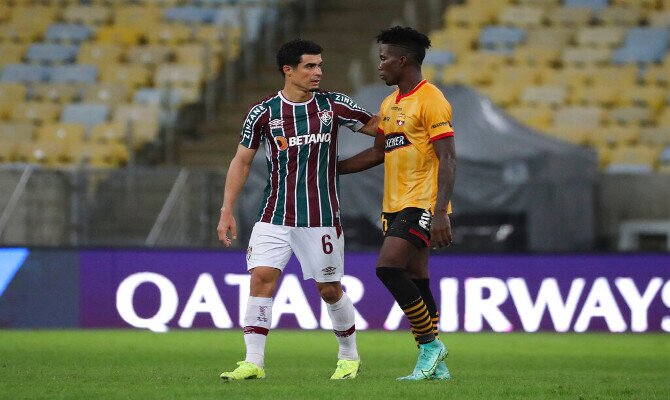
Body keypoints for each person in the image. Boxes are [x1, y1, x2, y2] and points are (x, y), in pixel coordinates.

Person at [217, 39, 379, 381]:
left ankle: (349, 357)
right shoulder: (263, 113)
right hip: (274, 214)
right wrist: (226, 209)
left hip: (321, 217)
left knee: (329, 290)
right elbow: (241, 161)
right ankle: (253, 363)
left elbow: (379, 128)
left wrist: (406, 126)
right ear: (288, 71)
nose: (318, 72)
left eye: (320, 65)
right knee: (261, 279)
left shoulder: (334, 105)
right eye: (310, 66)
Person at [339, 26, 456, 381]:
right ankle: (437, 366)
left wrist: (439, 212)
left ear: (402, 60)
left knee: (387, 268)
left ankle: (430, 346)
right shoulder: (390, 103)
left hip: (421, 203)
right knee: (417, 278)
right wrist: (330, 169)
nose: (380, 66)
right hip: (394, 204)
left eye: (384, 58)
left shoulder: (431, 99)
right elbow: (378, 153)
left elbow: (448, 158)